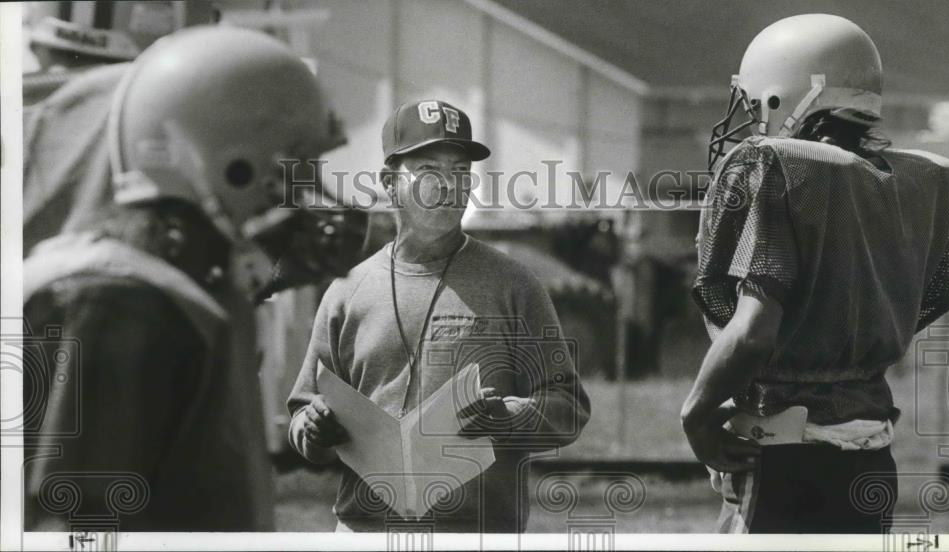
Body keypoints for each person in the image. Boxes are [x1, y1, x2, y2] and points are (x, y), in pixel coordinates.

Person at [22, 27, 367, 531]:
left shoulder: (180, 289)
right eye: (297, 167)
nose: (309, 192)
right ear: (230, 163)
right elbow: (77, 527)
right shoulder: (121, 301)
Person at [683, 14, 949, 534]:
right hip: (870, 451)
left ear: (786, 98)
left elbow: (753, 331)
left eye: (754, 106)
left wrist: (697, 411)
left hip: (786, 452)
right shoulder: (903, 181)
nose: (749, 123)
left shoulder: (780, 168)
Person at [286, 99, 591, 532]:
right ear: (390, 183)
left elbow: (568, 409)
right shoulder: (346, 290)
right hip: (367, 533)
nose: (449, 185)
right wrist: (314, 427)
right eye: (430, 170)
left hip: (477, 533)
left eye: (461, 172)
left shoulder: (514, 285)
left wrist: (506, 418)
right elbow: (303, 412)